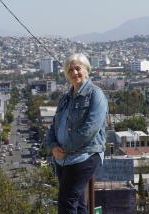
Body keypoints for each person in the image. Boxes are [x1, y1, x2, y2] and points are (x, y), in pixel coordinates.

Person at [45, 53, 108, 214]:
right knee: (78, 205)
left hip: (85, 156)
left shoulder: (96, 95)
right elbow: (54, 126)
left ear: (87, 70)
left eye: (78, 68)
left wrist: (65, 148)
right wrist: (53, 147)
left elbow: (90, 129)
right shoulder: (65, 98)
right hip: (62, 159)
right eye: (70, 70)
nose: (74, 73)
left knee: (66, 202)